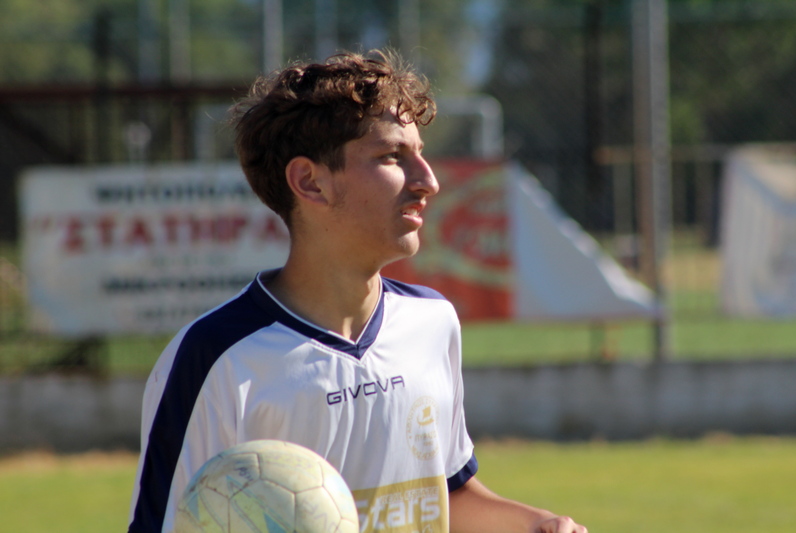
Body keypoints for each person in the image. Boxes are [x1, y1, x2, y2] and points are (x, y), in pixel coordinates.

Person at [128, 49, 588, 533]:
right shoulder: (216, 357)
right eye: (392, 156)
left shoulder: (432, 323)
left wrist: (538, 525)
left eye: (420, 154)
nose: (428, 181)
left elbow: (444, 495)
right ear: (310, 182)